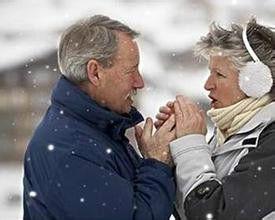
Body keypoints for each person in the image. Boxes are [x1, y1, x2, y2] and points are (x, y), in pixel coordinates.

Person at [23, 15, 177, 220]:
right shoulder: (71, 149)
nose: (139, 82)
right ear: (95, 73)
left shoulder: (95, 130)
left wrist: (157, 161)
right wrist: (157, 163)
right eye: (131, 71)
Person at [155, 18, 275, 219]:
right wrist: (174, 152)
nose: (207, 85)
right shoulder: (230, 135)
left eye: (219, 74)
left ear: (256, 81)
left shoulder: (271, 142)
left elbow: (213, 213)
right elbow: (191, 210)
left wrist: (190, 144)